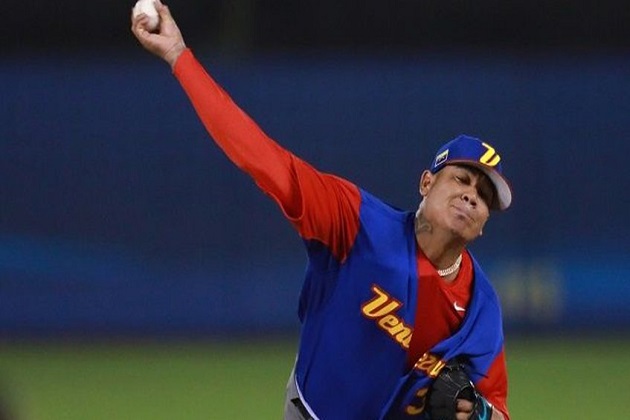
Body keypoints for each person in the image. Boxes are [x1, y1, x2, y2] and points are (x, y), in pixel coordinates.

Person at [131, 2, 512, 419]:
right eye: (461, 179)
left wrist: (478, 413)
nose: (471, 196)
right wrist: (179, 56)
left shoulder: (481, 307)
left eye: (484, 196)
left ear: (485, 222)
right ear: (426, 183)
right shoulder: (357, 222)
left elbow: (496, 408)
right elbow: (261, 157)